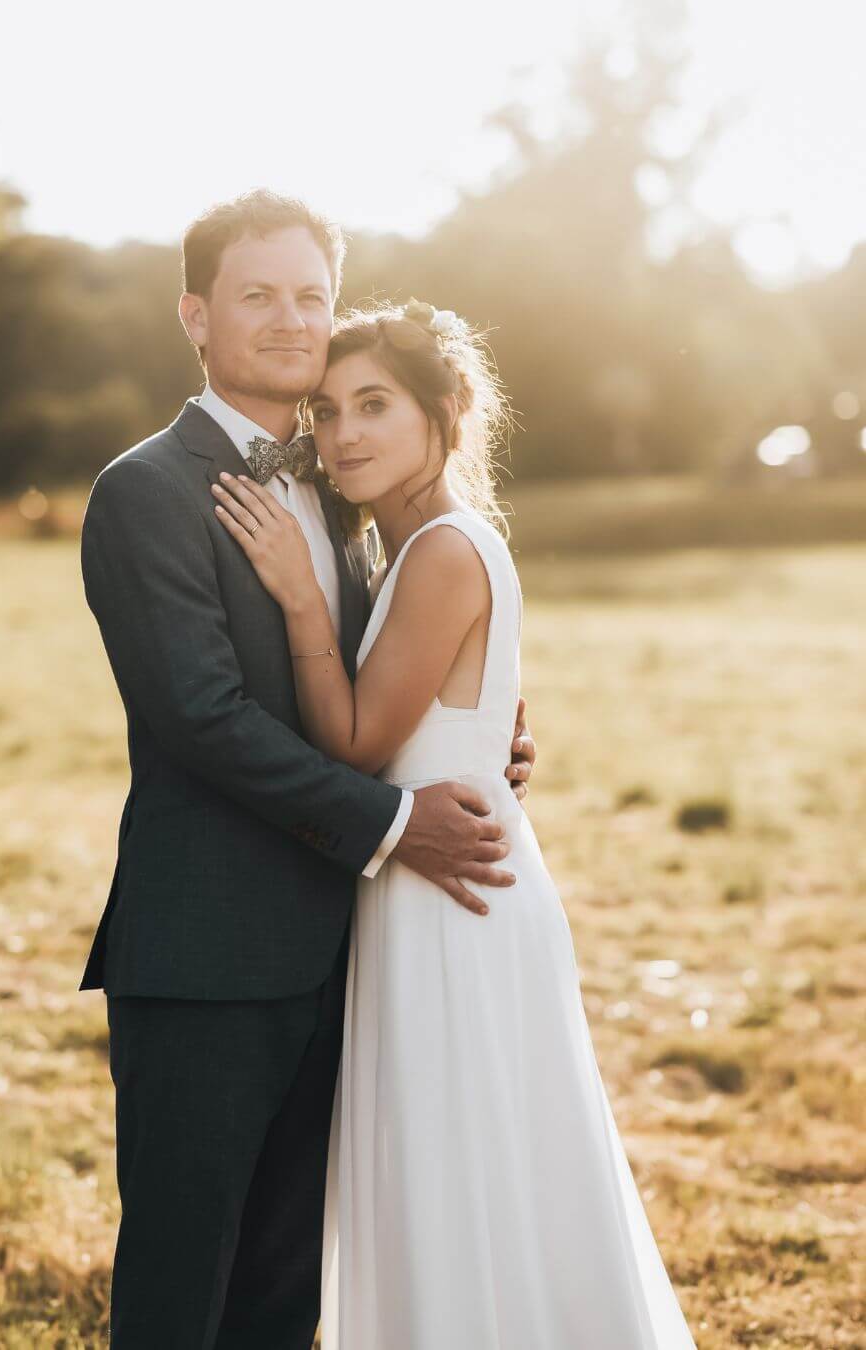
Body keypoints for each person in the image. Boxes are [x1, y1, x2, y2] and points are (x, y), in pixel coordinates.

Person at [76, 190, 536, 1348]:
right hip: (207, 954)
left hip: (349, 953)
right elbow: (206, 719)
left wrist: (470, 743)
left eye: (312, 297)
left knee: (288, 1291)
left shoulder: (345, 489)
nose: (291, 321)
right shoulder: (145, 492)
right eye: (257, 296)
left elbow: (374, 683)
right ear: (195, 313)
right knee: (185, 1284)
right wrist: (394, 820)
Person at [212, 297, 698, 1348]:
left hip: (455, 904)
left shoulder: (439, 551)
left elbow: (349, 742)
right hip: (431, 889)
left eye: (375, 405)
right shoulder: (418, 549)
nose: (343, 435)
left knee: (465, 1171)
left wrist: (299, 599)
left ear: (449, 410)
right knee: (470, 1174)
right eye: (329, 410)